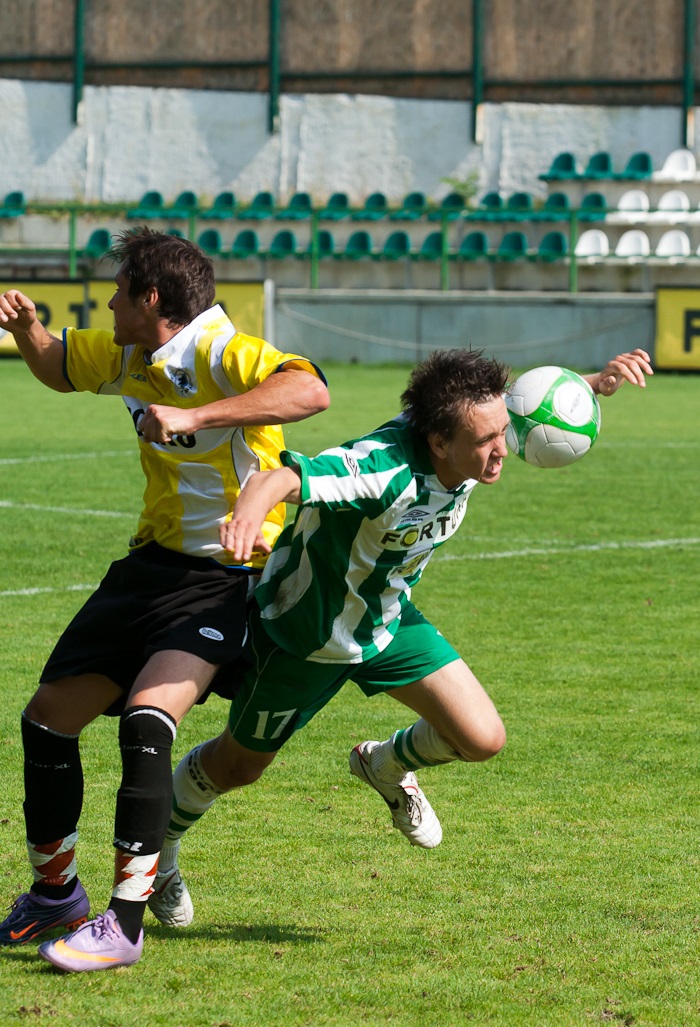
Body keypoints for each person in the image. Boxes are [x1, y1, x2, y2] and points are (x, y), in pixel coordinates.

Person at [138, 346, 653, 933]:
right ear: (438, 443)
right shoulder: (382, 469)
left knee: (483, 738)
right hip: (305, 634)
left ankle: (382, 764)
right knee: (236, 768)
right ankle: (160, 849)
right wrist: (248, 515)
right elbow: (284, 475)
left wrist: (591, 384)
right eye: (487, 440)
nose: (502, 451)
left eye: (504, 433)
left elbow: (514, 409)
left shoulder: (472, 428)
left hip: (386, 620)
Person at [0, 228, 329, 971]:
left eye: (118, 291)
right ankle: (55, 898)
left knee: (149, 720)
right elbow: (58, 366)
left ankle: (124, 924)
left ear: (152, 298)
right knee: (47, 722)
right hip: (148, 569)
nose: (108, 302)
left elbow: (309, 389)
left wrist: (196, 416)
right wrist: (28, 332)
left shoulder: (219, 352)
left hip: (224, 575)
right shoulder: (129, 353)